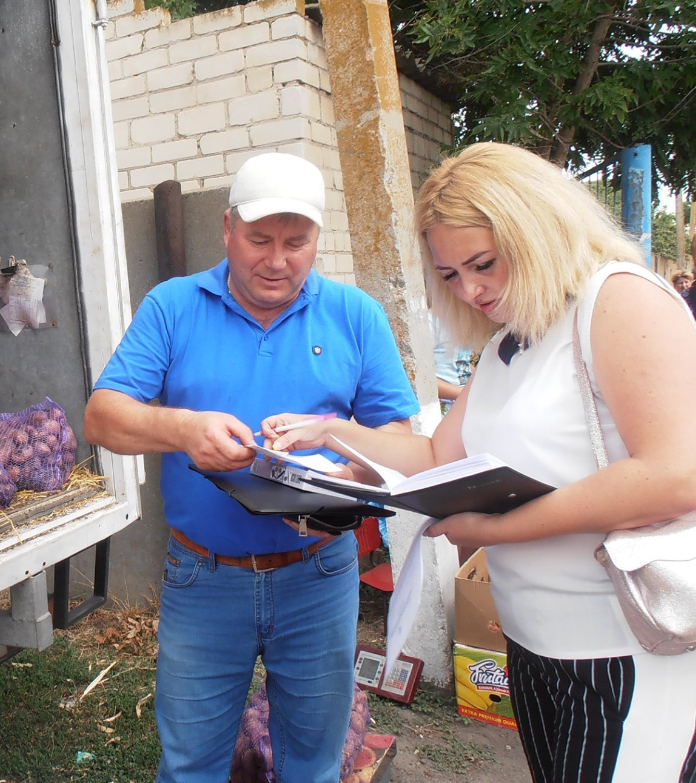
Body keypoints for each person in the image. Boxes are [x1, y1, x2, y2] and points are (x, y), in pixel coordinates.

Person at [262, 142, 696, 783]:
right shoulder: (506, 344)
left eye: (483, 263)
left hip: (624, 643)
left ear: (536, 228)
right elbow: (438, 456)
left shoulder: (619, 299)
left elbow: (676, 475)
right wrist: (330, 432)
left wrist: (495, 532)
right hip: (534, 644)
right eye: (450, 275)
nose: (471, 289)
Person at [82, 152, 419, 783]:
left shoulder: (354, 315)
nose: (277, 260)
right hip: (203, 575)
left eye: (297, 242)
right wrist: (183, 428)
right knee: (190, 765)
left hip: (319, 575)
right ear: (227, 229)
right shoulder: (173, 305)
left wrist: (342, 474)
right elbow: (102, 416)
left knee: (313, 765)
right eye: (260, 239)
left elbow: (399, 437)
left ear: (318, 239)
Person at [429, 308, 473, 411]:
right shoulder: (430, 322)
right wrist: (468, 395)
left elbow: (461, 364)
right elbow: (420, 380)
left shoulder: (462, 322)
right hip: (444, 411)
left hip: (467, 405)